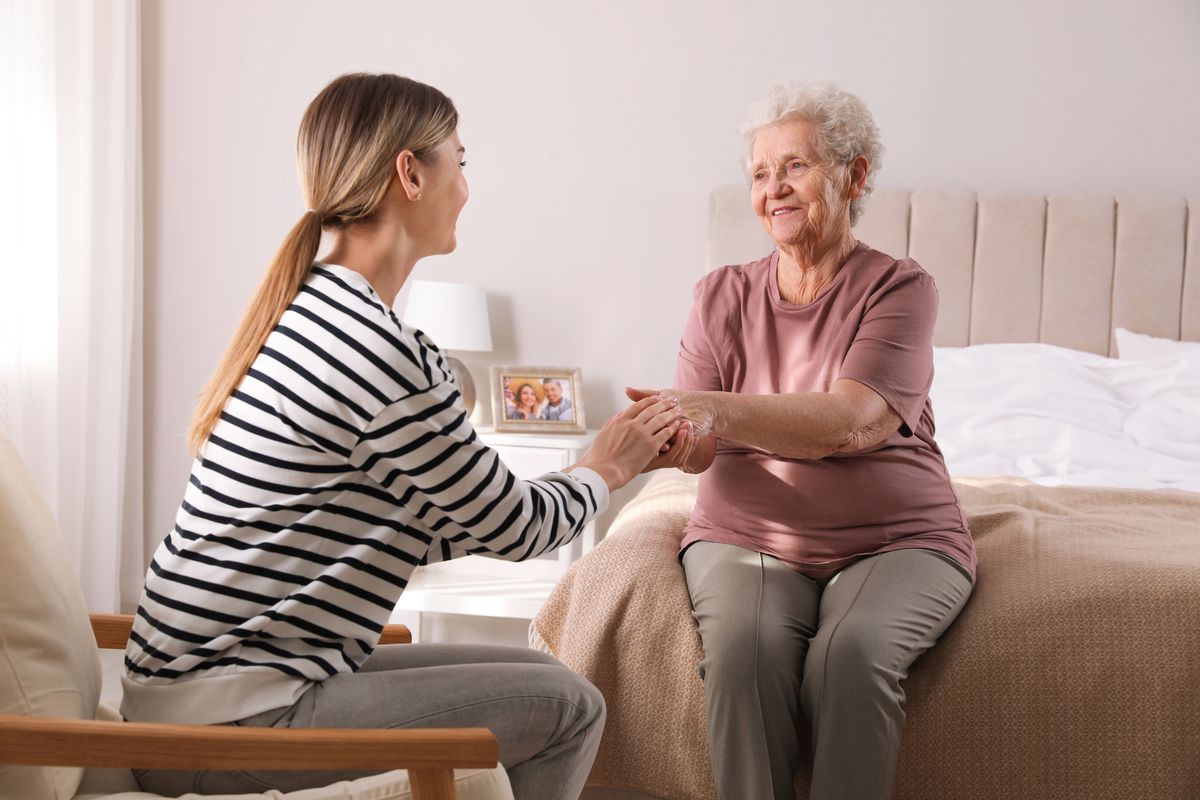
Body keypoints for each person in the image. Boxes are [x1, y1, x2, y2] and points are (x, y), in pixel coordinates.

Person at [121, 72, 683, 799]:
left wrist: (585, 470)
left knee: (548, 677)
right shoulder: (374, 347)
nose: (468, 187)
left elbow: (400, 528)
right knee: (570, 709)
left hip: (196, 699)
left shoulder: (311, 312)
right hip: (228, 722)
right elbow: (515, 530)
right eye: (461, 160)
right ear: (410, 173)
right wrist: (606, 468)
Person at [629, 82, 977, 800]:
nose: (774, 189)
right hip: (744, 534)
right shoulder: (719, 294)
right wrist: (669, 434)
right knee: (742, 657)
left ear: (854, 176)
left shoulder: (900, 289)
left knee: (851, 656)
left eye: (796, 166)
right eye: (760, 173)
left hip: (898, 538)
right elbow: (698, 448)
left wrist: (713, 411)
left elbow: (853, 420)